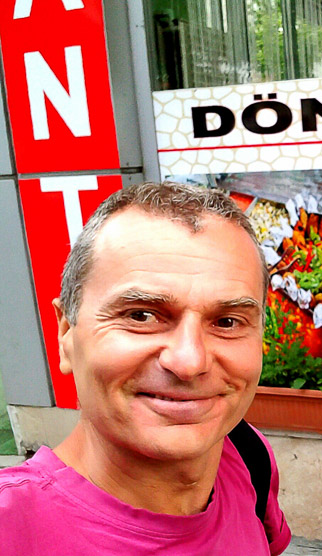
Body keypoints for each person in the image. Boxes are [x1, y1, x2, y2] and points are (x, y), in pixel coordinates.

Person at [0, 183, 291, 554]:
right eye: (141, 315)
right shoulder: (11, 529)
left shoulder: (246, 455)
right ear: (66, 333)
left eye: (228, 322)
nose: (189, 362)